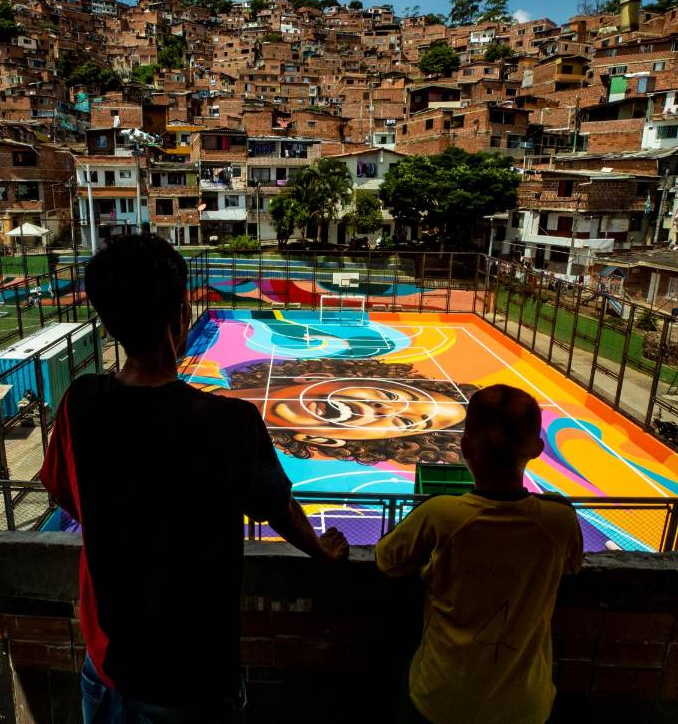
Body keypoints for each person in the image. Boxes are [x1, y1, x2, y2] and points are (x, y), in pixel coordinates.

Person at [42, 235, 349, 724]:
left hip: (105, 675)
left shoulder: (80, 403)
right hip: (194, 686)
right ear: (179, 317)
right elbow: (279, 508)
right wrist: (321, 550)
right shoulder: (230, 423)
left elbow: (64, 493)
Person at [376, 384, 583, 724]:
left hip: (440, 700)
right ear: (535, 449)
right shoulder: (559, 520)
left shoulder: (440, 515)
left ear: (465, 447)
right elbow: (572, 567)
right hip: (525, 707)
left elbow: (386, 560)